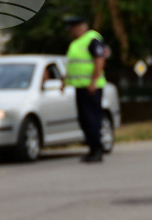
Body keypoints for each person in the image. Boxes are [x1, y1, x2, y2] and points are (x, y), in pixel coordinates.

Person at [62, 16, 107, 163]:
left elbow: (99, 60)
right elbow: (72, 65)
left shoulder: (92, 39)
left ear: (81, 27)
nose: (71, 31)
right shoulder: (75, 43)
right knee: (84, 119)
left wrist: (93, 81)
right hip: (80, 87)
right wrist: (64, 81)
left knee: (92, 119)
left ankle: (97, 150)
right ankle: (92, 149)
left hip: (92, 87)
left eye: (72, 28)